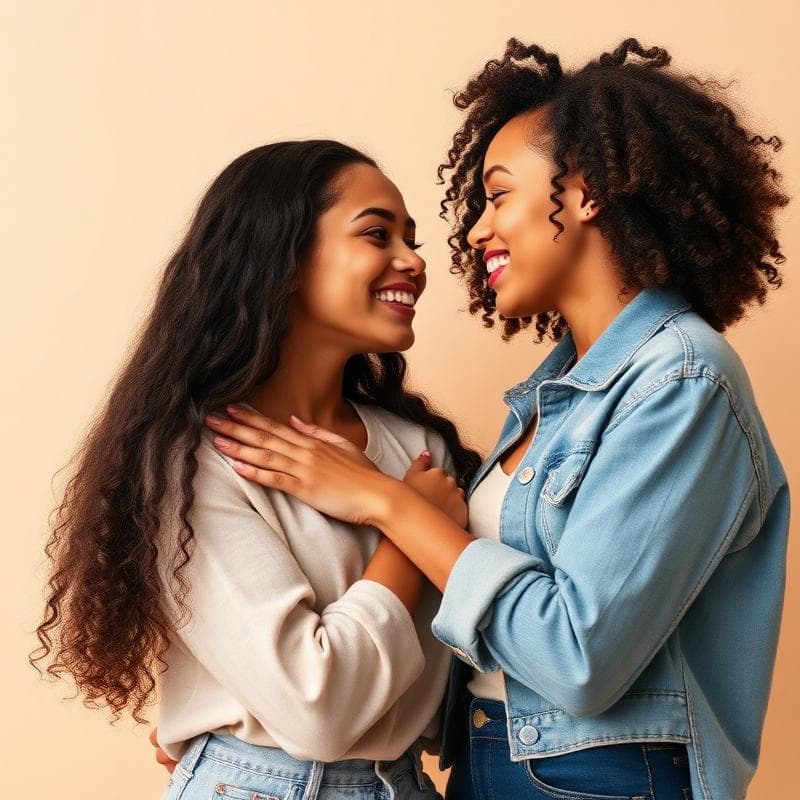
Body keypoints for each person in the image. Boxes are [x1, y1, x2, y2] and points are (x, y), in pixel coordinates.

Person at [207, 40, 790, 800]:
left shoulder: (681, 381)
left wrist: (387, 503)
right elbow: (481, 643)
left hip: (600, 778)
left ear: (586, 192)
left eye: (498, 195)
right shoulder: (552, 397)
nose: (476, 231)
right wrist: (236, 722)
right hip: (486, 766)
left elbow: (577, 657)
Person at [32, 140, 481, 799]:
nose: (413, 261)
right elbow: (318, 708)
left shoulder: (420, 453)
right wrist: (409, 533)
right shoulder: (198, 459)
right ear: (284, 258)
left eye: (411, 239)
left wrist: (390, 500)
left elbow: (451, 695)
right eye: (376, 234)